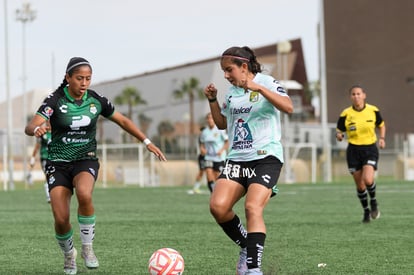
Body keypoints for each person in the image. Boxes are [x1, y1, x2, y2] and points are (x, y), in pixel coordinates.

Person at [24, 57, 167, 275]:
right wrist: (36, 130)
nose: (84, 83)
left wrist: (147, 142)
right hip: (58, 163)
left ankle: (87, 248)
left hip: (85, 158)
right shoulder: (54, 100)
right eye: (79, 78)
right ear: (68, 78)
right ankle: (68, 254)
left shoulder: (96, 100)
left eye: (88, 78)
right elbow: (31, 125)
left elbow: (123, 121)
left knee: (84, 194)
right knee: (61, 219)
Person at [204, 46, 293, 275]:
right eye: (223, 71)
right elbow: (223, 124)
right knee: (218, 207)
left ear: (244, 67)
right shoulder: (232, 92)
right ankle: (246, 246)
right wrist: (213, 100)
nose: (225, 75)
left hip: (266, 158)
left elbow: (288, 107)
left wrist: (260, 89)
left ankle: (253, 269)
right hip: (237, 160)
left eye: (229, 70)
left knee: (252, 207)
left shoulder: (267, 82)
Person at [336, 84, 386, 223]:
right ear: (350, 97)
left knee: (368, 179)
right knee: (360, 185)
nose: (356, 96)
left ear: (364, 95)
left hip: (370, 148)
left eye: (359, 94)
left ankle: (374, 202)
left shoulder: (373, 110)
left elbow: (381, 125)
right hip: (353, 150)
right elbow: (339, 130)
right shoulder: (346, 113)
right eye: (353, 94)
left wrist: (382, 139)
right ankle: (366, 211)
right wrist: (339, 135)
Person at [200, 113, 228, 193]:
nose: (210, 120)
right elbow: (201, 143)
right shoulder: (204, 132)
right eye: (208, 118)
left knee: (217, 177)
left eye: (211, 118)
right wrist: (202, 149)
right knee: (209, 175)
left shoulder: (220, 129)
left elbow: (227, 142)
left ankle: (220, 193)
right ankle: (213, 193)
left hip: (219, 158)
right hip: (208, 157)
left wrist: (221, 150)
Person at [29, 120, 52, 203]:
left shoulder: (57, 132)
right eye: (47, 122)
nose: (48, 123)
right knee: (48, 175)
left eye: (50, 122)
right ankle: (48, 196)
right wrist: (33, 158)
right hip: (45, 157)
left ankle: (53, 194)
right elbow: (37, 146)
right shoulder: (42, 133)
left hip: (55, 157)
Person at [192, 126, 206, 194]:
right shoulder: (201, 138)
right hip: (202, 157)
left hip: (210, 157)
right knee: (201, 172)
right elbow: (202, 149)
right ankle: (196, 187)